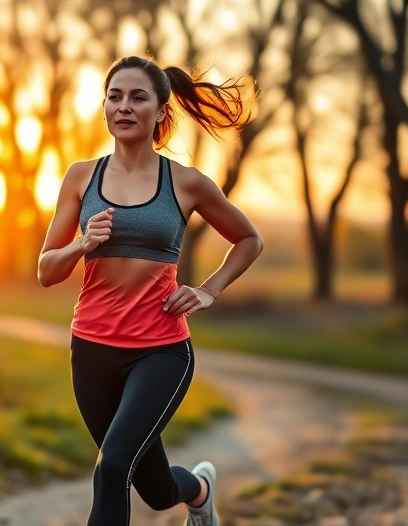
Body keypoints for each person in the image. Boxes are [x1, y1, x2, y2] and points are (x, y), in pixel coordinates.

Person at [36, 55, 264, 526]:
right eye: (114, 96)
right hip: (92, 350)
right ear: (104, 105)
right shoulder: (82, 177)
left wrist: (209, 289)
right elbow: (45, 270)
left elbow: (249, 239)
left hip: (160, 352)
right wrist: (82, 244)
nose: (124, 106)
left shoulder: (184, 182)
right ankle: (199, 492)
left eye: (138, 97)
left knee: (112, 467)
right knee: (155, 488)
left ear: (161, 111)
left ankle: (195, 494)